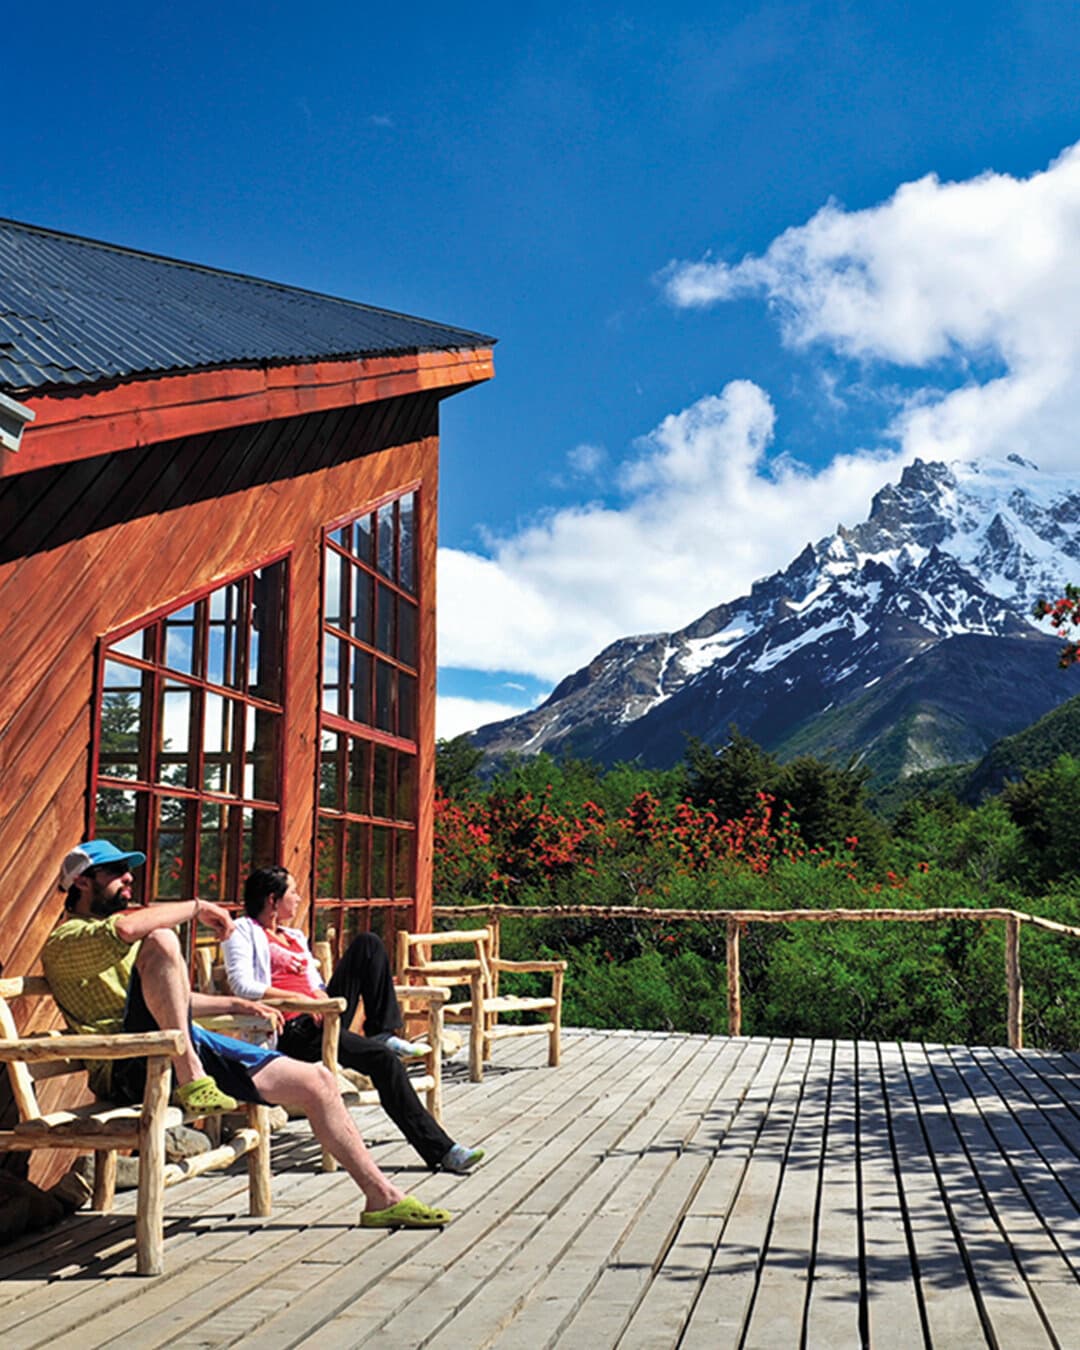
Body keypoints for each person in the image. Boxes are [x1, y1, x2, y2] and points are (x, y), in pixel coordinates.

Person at [41, 839, 450, 1229]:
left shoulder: (124, 943)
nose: (128, 878)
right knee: (163, 937)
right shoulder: (66, 941)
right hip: (132, 1065)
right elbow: (133, 933)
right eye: (116, 872)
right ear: (81, 881)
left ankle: (382, 1197)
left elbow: (170, 1001)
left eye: (129, 871)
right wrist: (199, 907)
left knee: (319, 1081)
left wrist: (237, 1006)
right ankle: (193, 1078)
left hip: (183, 1044)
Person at [223, 866, 484, 1174]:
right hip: (291, 1029)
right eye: (293, 892)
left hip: (323, 1015)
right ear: (272, 900)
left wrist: (319, 994)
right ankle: (443, 1151)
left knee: (368, 944)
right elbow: (242, 986)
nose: (298, 898)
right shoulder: (242, 931)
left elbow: (313, 980)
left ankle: (380, 1031)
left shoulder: (293, 935)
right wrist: (305, 1003)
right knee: (385, 1063)